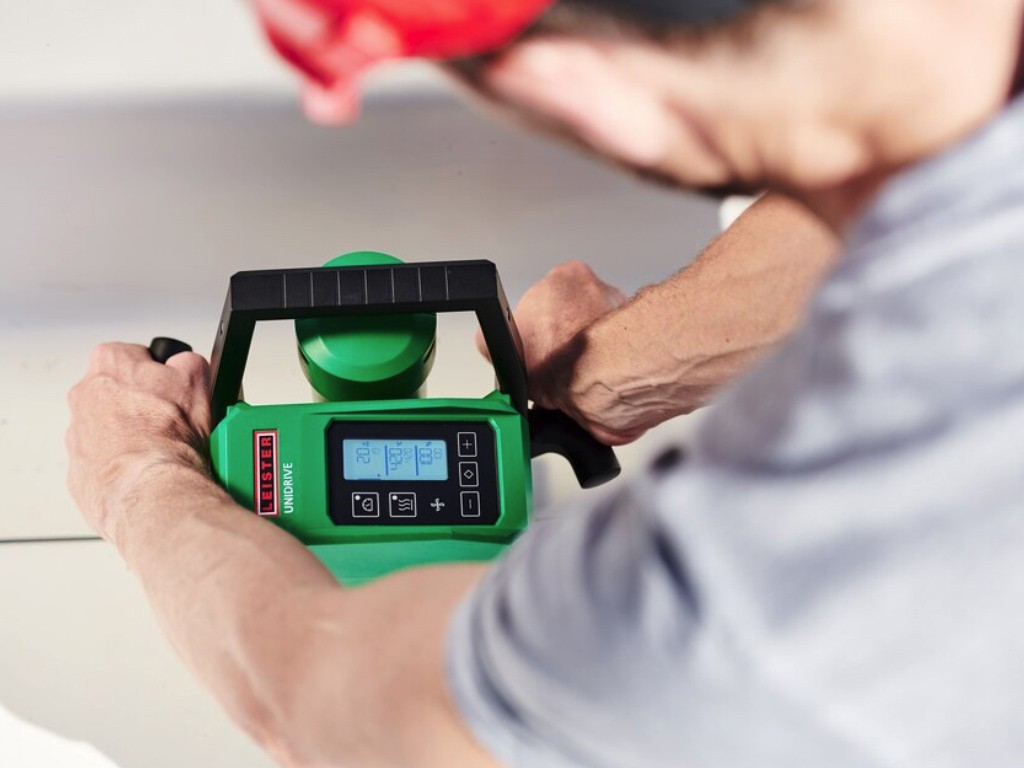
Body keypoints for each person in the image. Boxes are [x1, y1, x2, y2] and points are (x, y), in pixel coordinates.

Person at [66, 1, 1024, 767]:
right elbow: (906, 181)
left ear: (569, 84)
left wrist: (137, 478)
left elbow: (328, 705)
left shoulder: (732, 595)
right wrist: (625, 363)